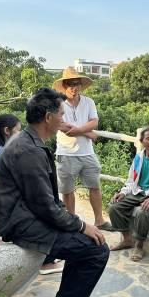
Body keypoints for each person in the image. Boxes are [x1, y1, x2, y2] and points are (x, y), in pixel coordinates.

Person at [0, 88, 109, 297]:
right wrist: (81, 225)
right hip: (19, 222)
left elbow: (46, 201)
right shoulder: (29, 150)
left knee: (84, 240)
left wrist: (75, 224)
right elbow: (45, 207)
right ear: (48, 117)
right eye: (61, 114)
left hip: (26, 213)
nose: (64, 119)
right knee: (97, 248)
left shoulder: (29, 142)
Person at [52, 67, 111, 231]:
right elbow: (61, 125)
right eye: (70, 84)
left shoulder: (88, 102)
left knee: (95, 186)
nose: (74, 87)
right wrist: (87, 133)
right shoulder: (58, 104)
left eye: (76, 83)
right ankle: (72, 223)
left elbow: (94, 122)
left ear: (80, 85)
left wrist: (79, 130)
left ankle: (99, 220)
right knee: (68, 190)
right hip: (66, 153)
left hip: (87, 152)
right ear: (64, 85)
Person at [108, 124, 149, 261]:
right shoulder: (139, 157)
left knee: (141, 211)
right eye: (148, 139)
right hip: (139, 192)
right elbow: (131, 179)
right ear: (142, 141)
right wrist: (123, 192)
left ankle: (139, 245)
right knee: (114, 206)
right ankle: (127, 239)